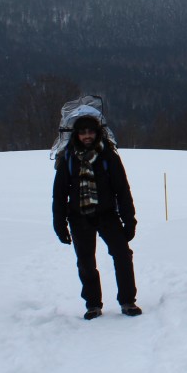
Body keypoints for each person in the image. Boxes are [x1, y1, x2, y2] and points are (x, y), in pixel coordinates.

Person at [52, 114, 142, 320]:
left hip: (107, 214)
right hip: (78, 216)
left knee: (122, 255)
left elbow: (122, 190)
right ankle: (93, 305)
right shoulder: (68, 158)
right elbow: (59, 194)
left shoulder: (109, 156)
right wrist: (60, 224)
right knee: (85, 263)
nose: (86, 136)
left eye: (90, 131)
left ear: (97, 132)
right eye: (82, 132)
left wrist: (130, 220)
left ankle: (128, 301)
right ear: (76, 134)